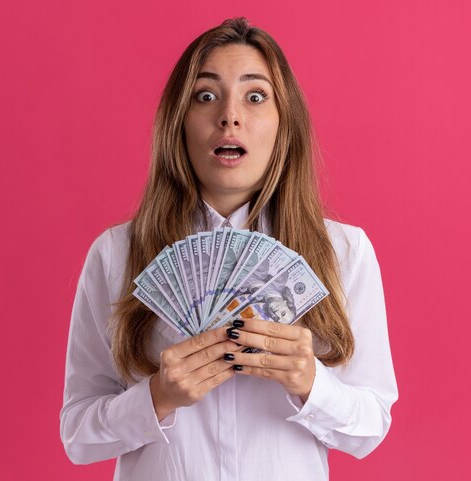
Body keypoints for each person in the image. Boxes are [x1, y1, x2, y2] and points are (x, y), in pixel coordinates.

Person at [60, 17, 398, 481]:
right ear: (178, 121)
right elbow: (77, 435)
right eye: (206, 95)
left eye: (255, 96)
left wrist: (310, 382)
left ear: (285, 124)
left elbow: (371, 425)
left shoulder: (344, 252)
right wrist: (157, 397)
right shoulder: (116, 253)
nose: (230, 116)